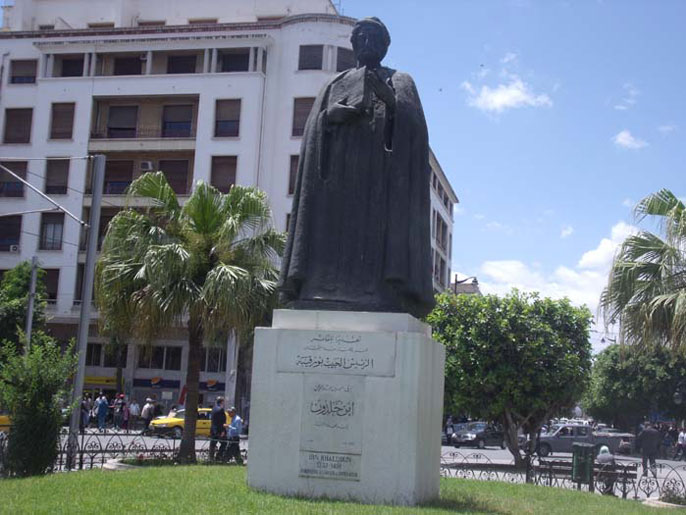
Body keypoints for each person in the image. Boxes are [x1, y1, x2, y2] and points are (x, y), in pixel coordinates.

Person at [279, 17, 434, 319]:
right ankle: (320, 290)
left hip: (379, 185)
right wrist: (329, 118)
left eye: (373, 38)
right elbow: (312, 132)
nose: (366, 43)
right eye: (360, 37)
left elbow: (414, 132)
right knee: (332, 235)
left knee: (372, 242)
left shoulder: (400, 80)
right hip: (336, 185)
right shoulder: (334, 83)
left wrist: (390, 102)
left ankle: (379, 292)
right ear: (353, 44)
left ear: (384, 46)